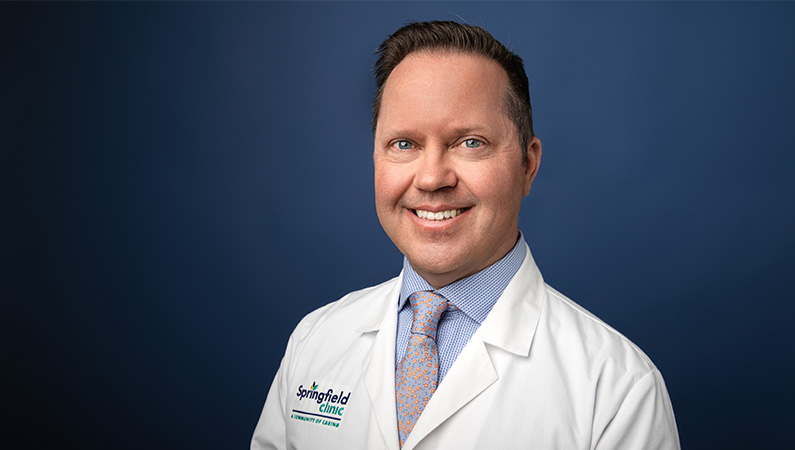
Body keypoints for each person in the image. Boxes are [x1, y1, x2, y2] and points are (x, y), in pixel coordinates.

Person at [251, 21, 680, 450]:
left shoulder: (619, 389)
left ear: (528, 166)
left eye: (470, 142)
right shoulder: (316, 340)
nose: (432, 177)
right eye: (404, 144)